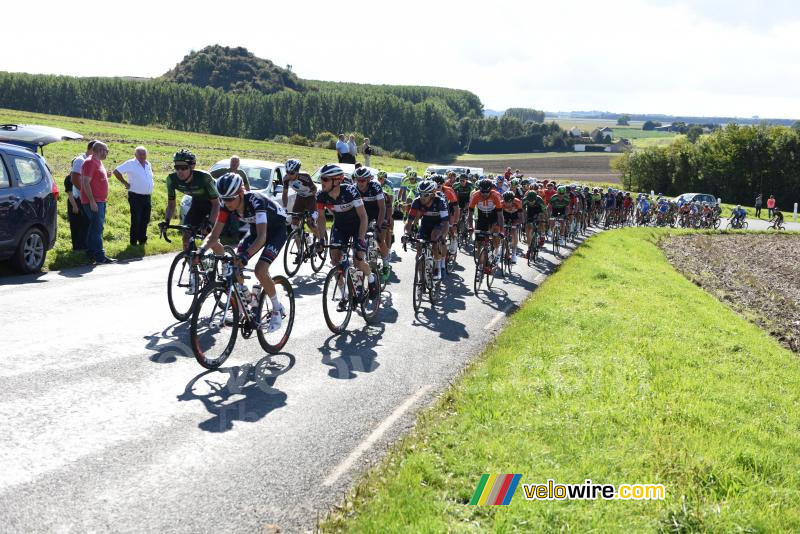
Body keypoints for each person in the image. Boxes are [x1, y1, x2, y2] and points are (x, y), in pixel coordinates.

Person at [197, 173, 288, 333]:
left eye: (230, 198)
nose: (226, 203)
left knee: (260, 270)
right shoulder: (227, 205)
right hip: (256, 230)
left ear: (240, 194)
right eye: (223, 199)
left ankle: (277, 308)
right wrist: (200, 251)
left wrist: (246, 256)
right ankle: (243, 305)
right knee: (234, 264)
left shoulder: (256, 201)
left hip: (276, 231)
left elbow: (262, 237)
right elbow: (214, 235)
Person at [314, 164, 377, 304]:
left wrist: (360, 239)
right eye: (321, 179)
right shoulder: (321, 195)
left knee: (358, 260)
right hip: (340, 227)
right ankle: (345, 295)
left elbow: (363, 216)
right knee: (335, 260)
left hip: (357, 226)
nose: (321, 182)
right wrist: (320, 239)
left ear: (337, 181)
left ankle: (371, 278)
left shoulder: (350, 192)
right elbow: (321, 218)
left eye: (325, 179)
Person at [162, 149, 220, 251]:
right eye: (177, 167)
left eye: (183, 168)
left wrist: (210, 224)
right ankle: (192, 264)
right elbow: (171, 205)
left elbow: (216, 205)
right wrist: (166, 221)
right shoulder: (171, 180)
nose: (180, 171)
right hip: (196, 204)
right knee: (186, 238)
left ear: (192, 166)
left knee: (209, 238)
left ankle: (222, 259)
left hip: (213, 205)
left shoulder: (204, 178)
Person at [405, 179, 449, 280]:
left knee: (434, 239)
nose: (422, 197)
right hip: (425, 224)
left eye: (426, 195)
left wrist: (443, 236)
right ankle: (421, 277)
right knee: (419, 248)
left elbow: (446, 223)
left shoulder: (440, 202)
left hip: (439, 224)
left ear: (433, 194)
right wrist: (407, 234)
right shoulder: (416, 202)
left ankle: (438, 268)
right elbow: (409, 221)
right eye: (420, 194)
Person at [80, 141, 115, 264]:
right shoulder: (90, 162)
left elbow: (95, 178)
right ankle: (100, 256)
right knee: (97, 228)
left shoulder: (97, 162)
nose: (107, 153)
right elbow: (85, 182)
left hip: (99, 200)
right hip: (94, 201)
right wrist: (92, 201)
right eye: (106, 151)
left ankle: (91, 253)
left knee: (94, 228)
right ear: (100, 150)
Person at [113, 146, 154, 246]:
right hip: (135, 196)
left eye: (144, 154)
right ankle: (133, 242)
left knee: (145, 219)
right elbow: (116, 171)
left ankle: (142, 240)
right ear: (135, 155)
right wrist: (125, 183)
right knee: (136, 219)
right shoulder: (130, 163)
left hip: (147, 196)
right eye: (140, 154)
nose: (142, 156)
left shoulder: (148, 164)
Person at [67, 140, 95, 251]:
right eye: (99, 150)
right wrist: (86, 193)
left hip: (89, 198)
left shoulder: (93, 161)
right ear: (91, 149)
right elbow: (74, 179)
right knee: (79, 224)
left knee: (87, 224)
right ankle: (79, 249)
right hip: (80, 198)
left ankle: (85, 247)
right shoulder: (80, 160)